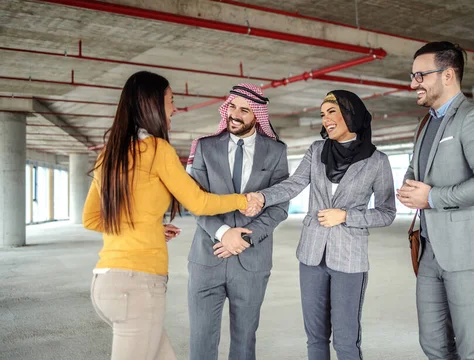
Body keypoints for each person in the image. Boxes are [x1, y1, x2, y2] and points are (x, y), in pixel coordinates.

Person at [82, 71, 261, 360]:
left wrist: (149, 229)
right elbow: (199, 202)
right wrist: (243, 199)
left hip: (106, 283)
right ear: (152, 104)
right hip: (137, 286)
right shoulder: (156, 149)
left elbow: (91, 218)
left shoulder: (110, 153)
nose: (174, 108)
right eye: (171, 100)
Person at [250, 90, 396, 360]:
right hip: (311, 256)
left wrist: (346, 216)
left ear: (351, 115)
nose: (325, 119)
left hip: (349, 260)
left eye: (332, 112)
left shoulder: (378, 162)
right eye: (322, 114)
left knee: (345, 340)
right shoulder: (317, 151)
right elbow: (294, 185)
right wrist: (262, 197)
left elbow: (387, 212)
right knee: (315, 337)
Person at [397, 41, 474, 360]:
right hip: (432, 252)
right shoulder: (426, 123)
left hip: (472, 252)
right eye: (412, 75)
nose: (412, 83)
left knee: (472, 349)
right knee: (433, 344)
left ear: (448, 74)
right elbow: (417, 168)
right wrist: (409, 186)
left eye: (420, 75)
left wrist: (431, 196)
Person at [185, 83, 289, 360]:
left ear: (257, 115)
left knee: (244, 342)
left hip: (252, 260)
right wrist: (222, 233)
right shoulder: (205, 147)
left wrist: (243, 237)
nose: (235, 114)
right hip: (207, 258)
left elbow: (279, 207)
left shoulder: (276, 151)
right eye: (232, 106)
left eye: (245, 110)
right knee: (201, 341)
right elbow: (194, 200)